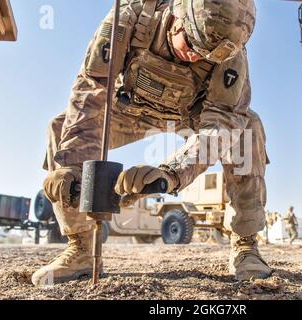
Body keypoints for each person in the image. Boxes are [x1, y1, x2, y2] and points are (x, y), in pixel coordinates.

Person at [32, 0, 271, 285]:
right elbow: (93, 88)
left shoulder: (230, 52)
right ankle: (81, 249)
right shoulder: (130, 15)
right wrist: (71, 165)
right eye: (192, 47)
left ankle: (245, 246)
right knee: (61, 128)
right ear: (178, 18)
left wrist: (171, 173)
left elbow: (221, 126)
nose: (197, 58)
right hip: (127, 109)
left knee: (247, 128)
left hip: (188, 116)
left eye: (207, 56)